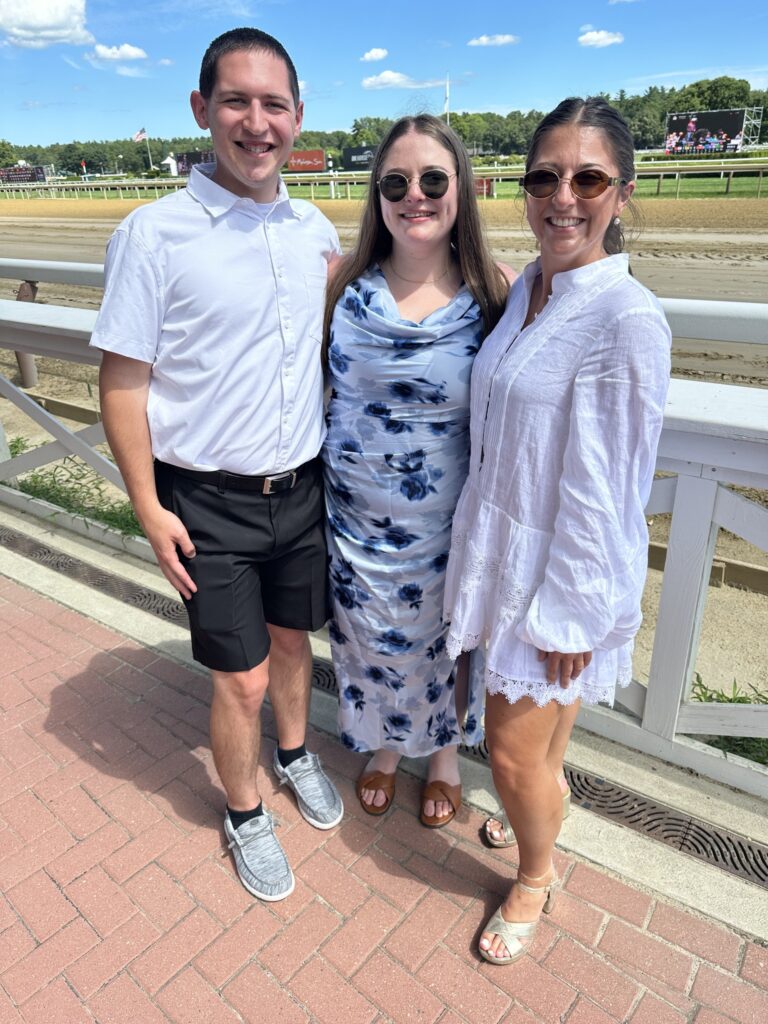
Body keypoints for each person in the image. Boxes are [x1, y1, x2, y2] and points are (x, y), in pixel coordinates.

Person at [91, 27, 343, 903]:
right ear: (202, 110)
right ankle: (243, 811)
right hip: (208, 501)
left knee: (292, 644)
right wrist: (146, 505)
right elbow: (122, 382)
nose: (256, 122)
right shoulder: (153, 235)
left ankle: (299, 752)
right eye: (236, 100)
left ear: (298, 116)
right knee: (238, 678)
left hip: (303, 488)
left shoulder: (314, 225)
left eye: (274, 104)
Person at [443, 97, 671, 963]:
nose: (562, 196)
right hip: (502, 552)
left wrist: (575, 614)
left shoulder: (625, 318)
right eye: (545, 176)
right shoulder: (529, 291)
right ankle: (539, 813)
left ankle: (535, 874)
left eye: (588, 178)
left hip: (557, 573)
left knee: (507, 750)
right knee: (540, 745)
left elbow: (611, 488)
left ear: (622, 192)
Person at [322, 114, 513, 827]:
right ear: (377, 196)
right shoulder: (343, 287)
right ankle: (384, 747)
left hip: (447, 530)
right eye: (396, 182)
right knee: (371, 642)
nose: (415, 195)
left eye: (434, 179)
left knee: (445, 646)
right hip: (355, 528)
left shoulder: (495, 294)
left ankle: (442, 758)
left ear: (460, 188)